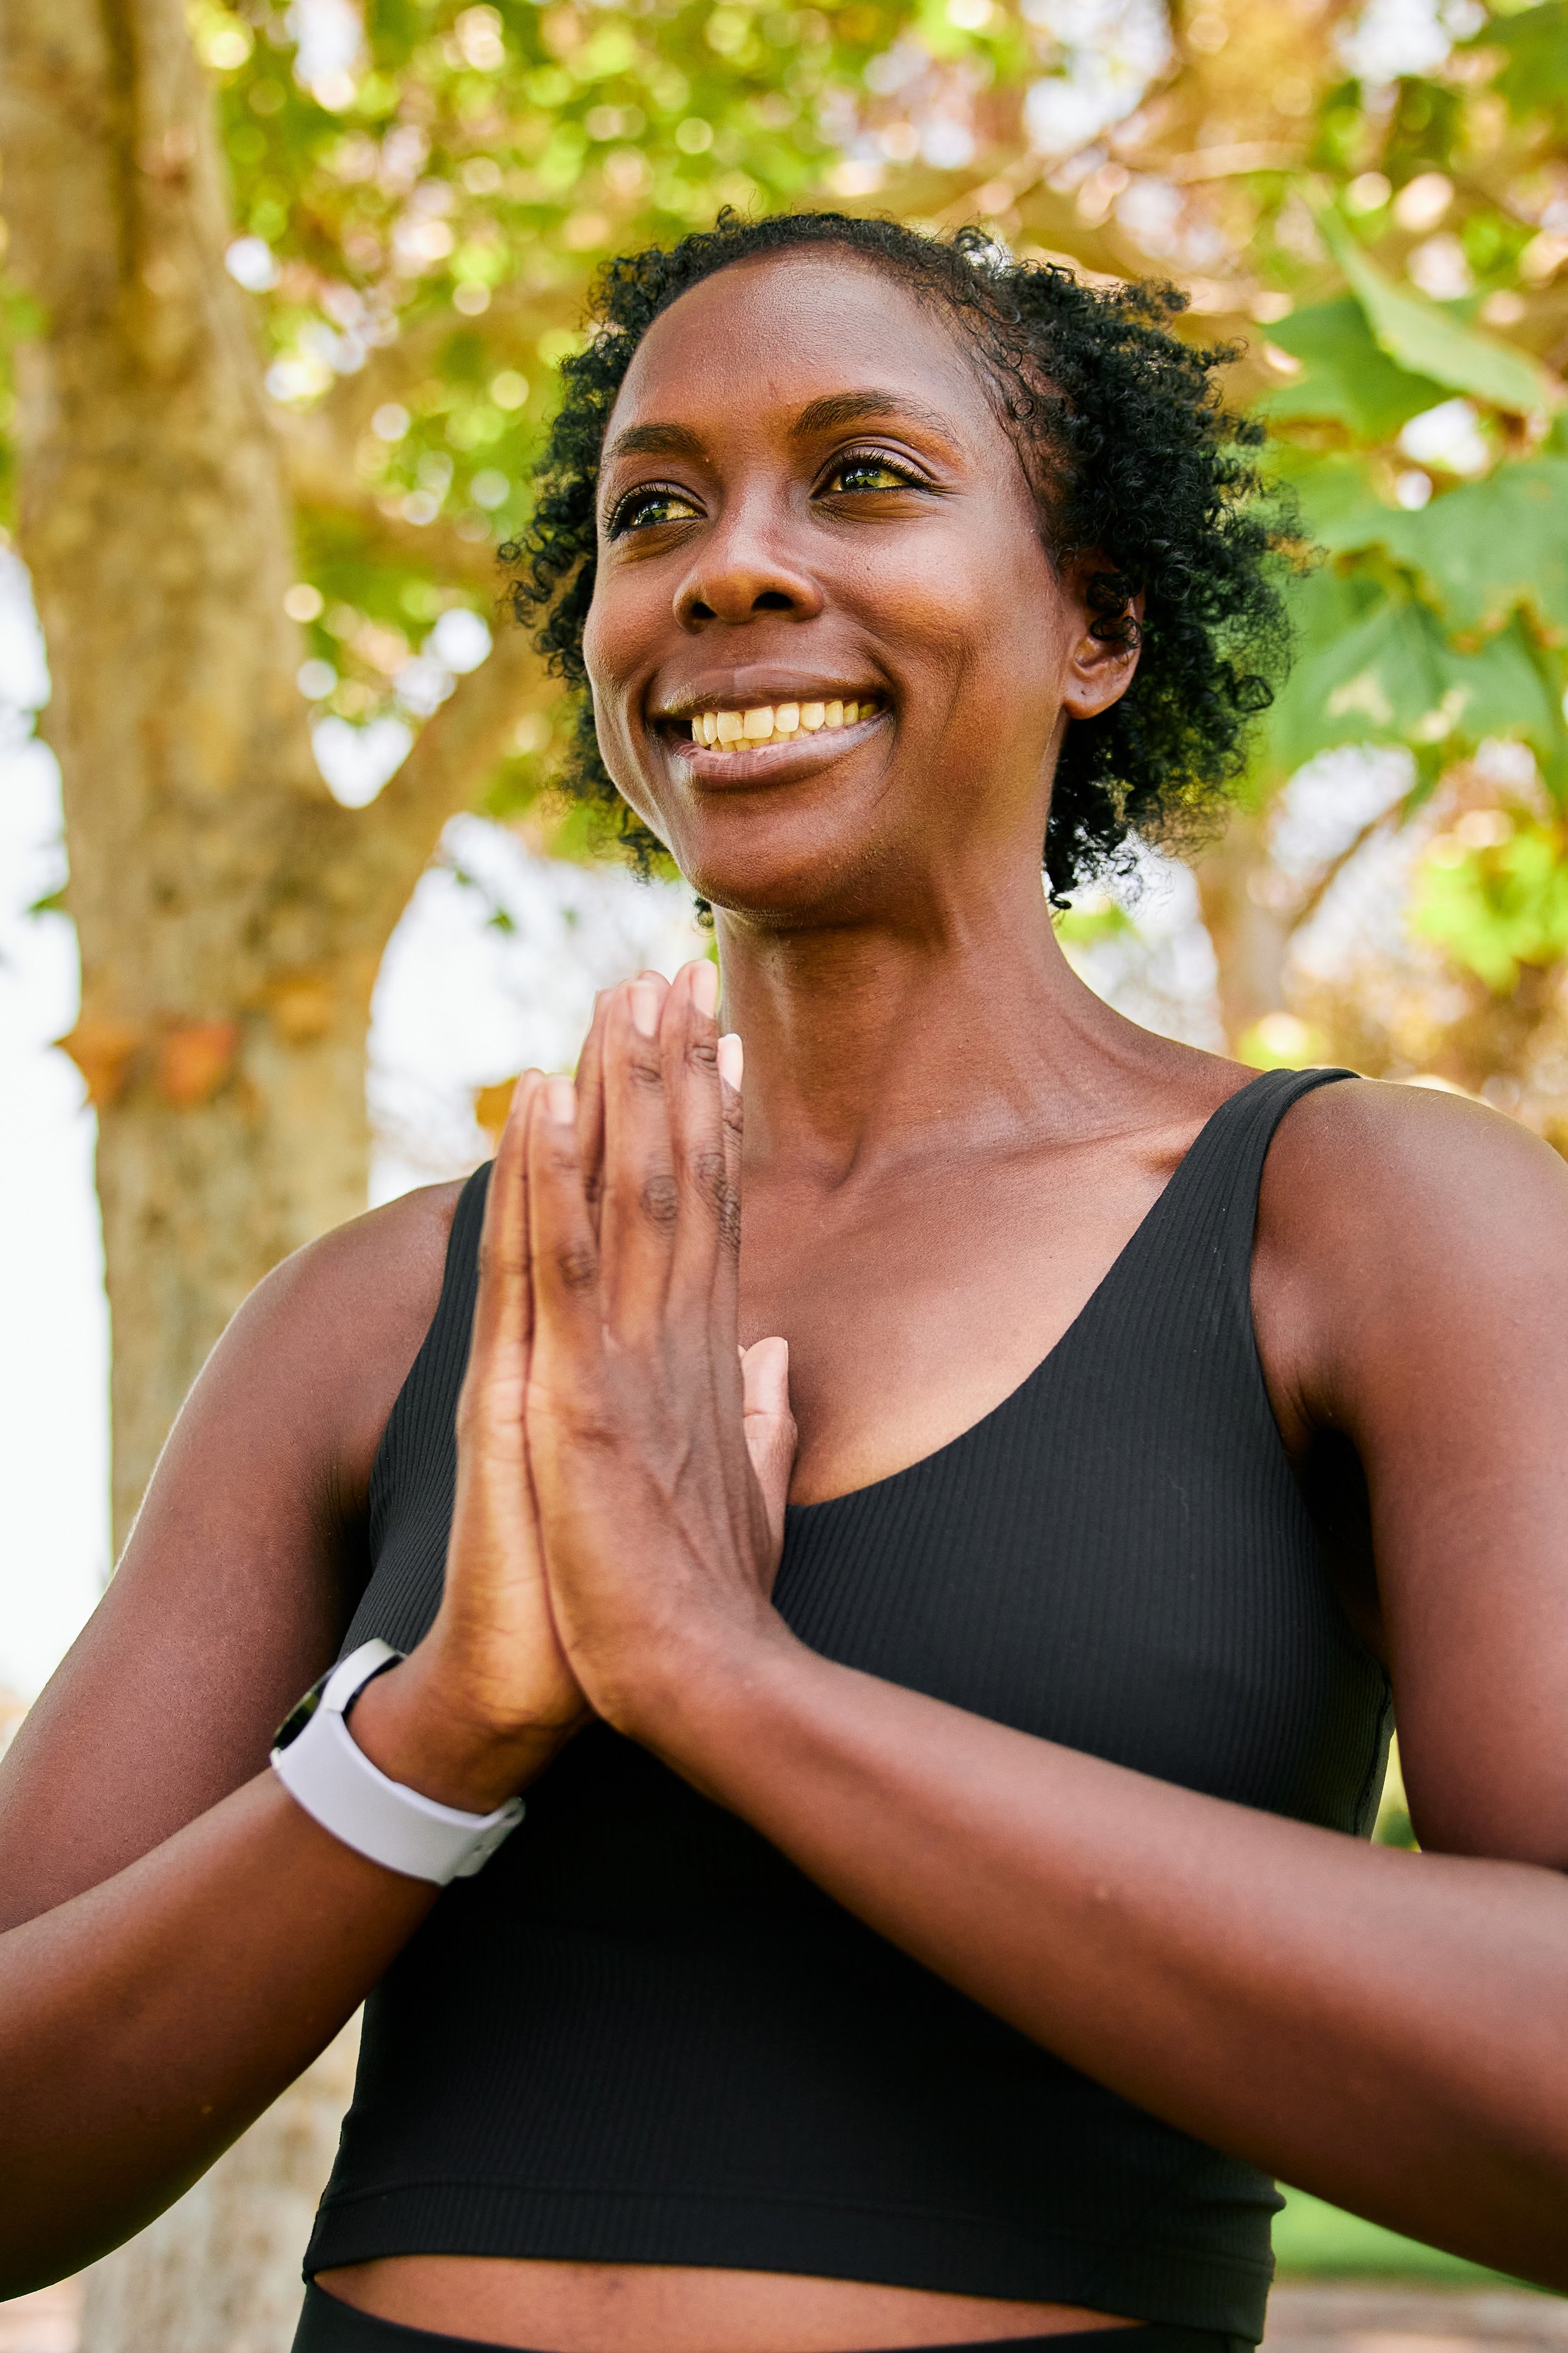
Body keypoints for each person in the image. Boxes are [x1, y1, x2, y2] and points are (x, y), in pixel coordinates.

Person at [2, 213, 1567, 2353]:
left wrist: (729, 1685)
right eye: (656, 511)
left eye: (863, 477)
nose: (729, 567)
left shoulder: (1366, 1221)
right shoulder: (380, 1316)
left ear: (1094, 622)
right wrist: (438, 1734)